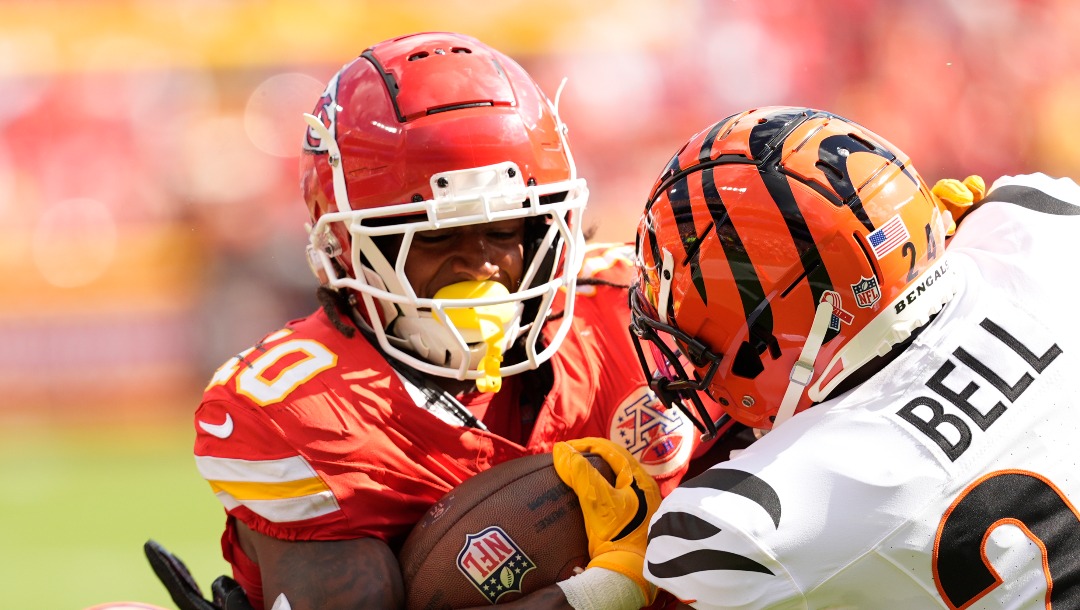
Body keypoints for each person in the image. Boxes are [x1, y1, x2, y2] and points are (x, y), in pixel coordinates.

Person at [150, 32, 724, 610]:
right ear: (347, 248)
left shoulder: (637, 314)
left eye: (504, 229)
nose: (480, 262)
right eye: (435, 236)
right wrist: (604, 591)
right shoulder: (311, 411)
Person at [627, 105, 1080, 608]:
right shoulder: (1039, 220)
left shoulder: (742, 521)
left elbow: (686, 551)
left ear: (776, 327)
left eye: (695, 344)